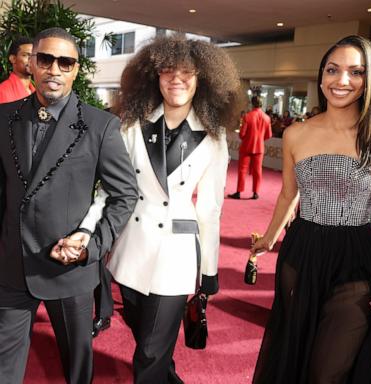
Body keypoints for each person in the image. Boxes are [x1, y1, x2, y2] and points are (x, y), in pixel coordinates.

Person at [70, 34, 241, 383]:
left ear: (202, 79)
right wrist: (87, 229)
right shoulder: (132, 125)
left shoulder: (214, 136)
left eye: (187, 72)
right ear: (154, 76)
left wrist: (208, 269)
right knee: (144, 335)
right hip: (131, 247)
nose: (176, 79)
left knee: (149, 351)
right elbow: (109, 191)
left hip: (176, 256)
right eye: (167, 71)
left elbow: (210, 207)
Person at [0, 27, 138, 384]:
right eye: (45, 59)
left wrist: (91, 246)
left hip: (70, 271)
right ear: (31, 64)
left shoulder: (100, 125)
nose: (54, 69)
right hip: (12, 265)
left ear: (76, 69)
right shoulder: (3, 117)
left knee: (78, 370)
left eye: (65, 62)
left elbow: (124, 195)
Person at [250, 35, 371, 384]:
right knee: (295, 353)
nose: (341, 81)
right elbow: (287, 196)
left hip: (359, 258)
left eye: (356, 72)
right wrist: (268, 238)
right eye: (333, 70)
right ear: (321, 74)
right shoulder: (297, 133)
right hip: (303, 251)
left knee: (329, 370)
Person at [228, 95, 272, 200]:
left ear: (252, 104)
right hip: (259, 148)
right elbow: (269, 135)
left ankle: (239, 192)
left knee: (242, 170)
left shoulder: (247, 116)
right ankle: (256, 193)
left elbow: (242, 134)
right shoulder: (267, 118)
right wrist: (260, 139)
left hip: (247, 146)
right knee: (258, 171)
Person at [0, 36, 35, 103]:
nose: (32, 60)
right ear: (13, 59)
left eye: (34, 56)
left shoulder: (36, 92)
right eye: (26, 55)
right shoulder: (2, 91)